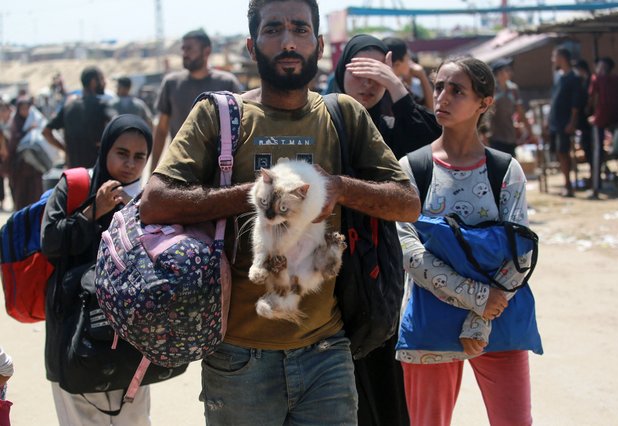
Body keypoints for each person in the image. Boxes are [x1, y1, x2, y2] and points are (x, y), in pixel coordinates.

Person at [138, 0, 421, 424]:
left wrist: (338, 188)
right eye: (273, 30)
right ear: (252, 47)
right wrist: (256, 196)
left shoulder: (343, 114)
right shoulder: (219, 116)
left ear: (319, 44)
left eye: (299, 29)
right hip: (238, 358)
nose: (288, 41)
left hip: (327, 353)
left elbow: (408, 203)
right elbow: (155, 202)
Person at [396, 56, 535, 426]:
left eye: (457, 90)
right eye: (439, 86)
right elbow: (409, 252)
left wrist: (481, 319)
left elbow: (521, 252)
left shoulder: (505, 170)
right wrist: (477, 300)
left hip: (499, 323)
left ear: (484, 103)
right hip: (432, 324)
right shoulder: (413, 168)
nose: (442, 97)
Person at [329, 33, 440, 426]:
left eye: (379, 70)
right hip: (330, 269)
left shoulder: (391, 125)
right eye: (361, 70)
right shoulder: (320, 118)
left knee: (383, 377)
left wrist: (397, 85)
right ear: (341, 72)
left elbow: (431, 142)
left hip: (379, 271)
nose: (369, 80)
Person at [41, 115, 153, 426]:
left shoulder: (147, 198)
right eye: (121, 153)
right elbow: (50, 243)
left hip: (128, 340)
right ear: (104, 149)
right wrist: (94, 212)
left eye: (139, 156)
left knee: (135, 419)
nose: (130, 164)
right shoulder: (75, 186)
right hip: (75, 337)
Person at [152, 29, 243, 170]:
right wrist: (153, 169)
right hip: (179, 166)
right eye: (183, 49)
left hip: (218, 168)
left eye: (189, 49)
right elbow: (161, 129)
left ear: (206, 51)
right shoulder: (171, 83)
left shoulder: (227, 83)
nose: (184, 54)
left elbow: (242, 127)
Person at [42, 66, 116, 168]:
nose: (104, 83)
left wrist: (65, 149)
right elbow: (117, 128)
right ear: (93, 82)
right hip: (96, 171)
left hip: (74, 173)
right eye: (102, 79)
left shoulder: (69, 106)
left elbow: (46, 132)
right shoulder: (102, 106)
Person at [548, 47, 581, 197]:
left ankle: (568, 184)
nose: (553, 60)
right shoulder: (559, 77)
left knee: (564, 152)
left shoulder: (573, 78)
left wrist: (572, 122)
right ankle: (565, 181)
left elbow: (576, 104)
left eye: (555, 56)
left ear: (562, 57)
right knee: (558, 152)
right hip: (555, 122)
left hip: (564, 122)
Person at [487, 57, 535, 158]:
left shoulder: (513, 89)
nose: (509, 72)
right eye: (506, 70)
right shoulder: (492, 90)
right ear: (499, 73)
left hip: (510, 136)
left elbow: (520, 112)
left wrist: (530, 133)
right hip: (495, 136)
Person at [7, 97, 45, 210]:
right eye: (22, 108)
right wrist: (26, 131)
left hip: (35, 167)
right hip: (20, 169)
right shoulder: (15, 123)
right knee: (21, 197)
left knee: (35, 196)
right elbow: (13, 143)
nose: (25, 111)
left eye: (27, 108)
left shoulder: (35, 121)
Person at [383, 36, 434, 111]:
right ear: (397, 64)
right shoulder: (398, 89)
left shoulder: (378, 85)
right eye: (408, 58)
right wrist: (423, 76)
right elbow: (431, 110)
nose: (411, 63)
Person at [588, 57, 618, 155]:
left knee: (598, 146)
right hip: (616, 116)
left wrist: (592, 114)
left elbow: (592, 98)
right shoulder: (617, 78)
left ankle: (597, 167)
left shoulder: (596, 79)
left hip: (601, 118)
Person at [573, 59, 597, 187]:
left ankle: (594, 177)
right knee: (588, 150)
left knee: (590, 150)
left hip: (589, 124)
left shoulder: (589, 82)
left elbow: (589, 102)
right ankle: (593, 176)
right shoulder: (583, 82)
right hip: (585, 123)